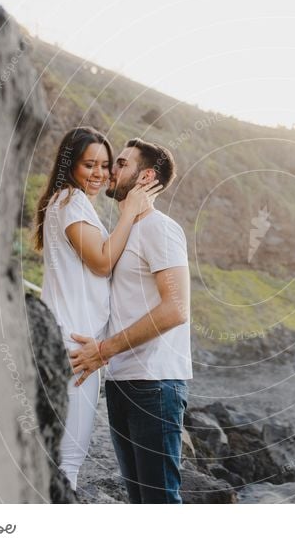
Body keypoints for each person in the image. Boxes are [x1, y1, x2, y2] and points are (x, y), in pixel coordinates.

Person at [33, 127, 162, 492]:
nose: (99, 173)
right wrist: (131, 212)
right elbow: (103, 261)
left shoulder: (67, 202)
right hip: (74, 345)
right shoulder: (71, 202)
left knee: (54, 453)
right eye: (89, 164)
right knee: (68, 460)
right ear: (69, 165)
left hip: (67, 340)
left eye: (105, 165)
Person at [69, 138, 191, 504]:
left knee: (158, 504)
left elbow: (176, 308)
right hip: (124, 380)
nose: (109, 170)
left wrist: (102, 351)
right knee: (140, 503)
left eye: (120, 163)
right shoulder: (125, 231)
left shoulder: (159, 228)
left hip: (154, 384)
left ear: (145, 176)